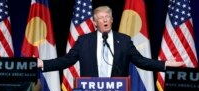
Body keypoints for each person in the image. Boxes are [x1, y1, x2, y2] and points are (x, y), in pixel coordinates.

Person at [37, 5, 184, 77]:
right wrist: (43, 63)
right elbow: (67, 61)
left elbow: (141, 61)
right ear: (95, 23)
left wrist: (165, 64)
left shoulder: (124, 41)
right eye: (101, 18)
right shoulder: (84, 41)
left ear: (112, 20)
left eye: (107, 16)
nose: (105, 19)